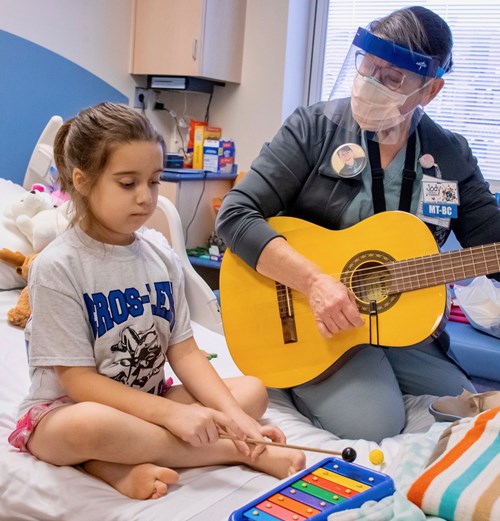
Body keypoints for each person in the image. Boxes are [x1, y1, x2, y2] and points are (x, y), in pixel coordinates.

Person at [216, 7, 500, 443]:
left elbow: (492, 245)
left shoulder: (449, 156)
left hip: (395, 325)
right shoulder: (313, 129)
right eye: (368, 67)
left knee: (467, 410)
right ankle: (294, 371)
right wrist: (314, 283)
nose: (370, 84)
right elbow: (235, 216)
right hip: (309, 319)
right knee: (375, 425)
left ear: (430, 90)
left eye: (392, 78)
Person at [8, 102, 305, 500]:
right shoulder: (59, 266)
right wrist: (178, 416)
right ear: (81, 180)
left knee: (251, 393)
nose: (146, 198)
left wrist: (233, 417)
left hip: (148, 398)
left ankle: (111, 462)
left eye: (154, 181)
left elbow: (184, 351)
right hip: (69, 409)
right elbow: (78, 382)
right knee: (90, 427)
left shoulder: (160, 253)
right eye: (128, 183)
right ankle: (238, 453)